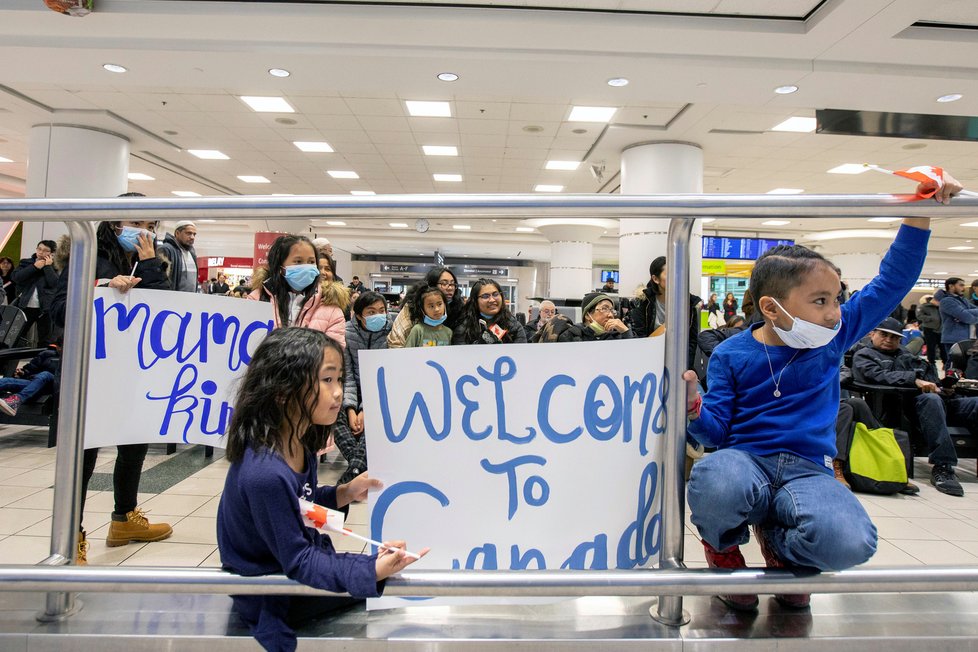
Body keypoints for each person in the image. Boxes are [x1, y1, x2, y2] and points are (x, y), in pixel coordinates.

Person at [682, 170, 960, 612]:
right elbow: (714, 436)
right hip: (744, 460)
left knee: (849, 542)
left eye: (836, 298)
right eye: (820, 301)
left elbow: (892, 282)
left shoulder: (836, 336)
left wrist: (920, 212)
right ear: (771, 307)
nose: (834, 313)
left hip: (808, 468)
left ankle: (782, 550)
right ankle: (723, 552)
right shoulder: (732, 354)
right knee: (718, 481)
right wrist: (692, 409)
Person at [217, 327, 426, 651]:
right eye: (327, 380)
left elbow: (298, 505)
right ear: (283, 391)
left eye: (339, 379)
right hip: (273, 593)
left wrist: (342, 493)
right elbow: (299, 559)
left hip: (288, 574)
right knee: (392, 596)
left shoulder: (296, 441)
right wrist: (371, 569)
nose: (339, 392)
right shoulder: (265, 474)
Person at [49, 208, 174, 563]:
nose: (144, 233)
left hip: (132, 369)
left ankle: (125, 519)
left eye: (150, 227)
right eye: (137, 225)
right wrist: (104, 287)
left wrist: (149, 263)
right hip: (89, 370)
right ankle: (70, 534)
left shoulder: (150, 261)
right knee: (82, 454)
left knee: (134, 445)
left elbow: (166, 306)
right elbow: (58, 309)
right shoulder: (86, 255)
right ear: (115, 223)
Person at [852, 317, 974, 497]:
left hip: (941, 401)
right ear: (872, 334)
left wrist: (944, 387)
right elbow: (876, 375)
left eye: (894, 337)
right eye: (884, 335)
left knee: (972, 404)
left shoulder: (909, 355)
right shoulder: (864, 355)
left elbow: (931, 378)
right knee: (930, 400)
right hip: (906, 406)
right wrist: (914, 381)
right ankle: (943, 467)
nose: (888, 340)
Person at [248, 235, 348, 347]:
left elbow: (332, 356)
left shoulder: (331, 309)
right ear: (280, 265)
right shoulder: (256, 299)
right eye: (298, 261)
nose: (306, 267)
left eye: (311, 262)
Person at [339, 291, 391, 484]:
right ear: (358, 314)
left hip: (381, 390)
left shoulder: (391, 331)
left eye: (382, 310)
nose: (378, 315)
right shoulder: (346, 332)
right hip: (353, 389)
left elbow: (385, 375)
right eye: (371, 312)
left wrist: (366, 408)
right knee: (337, 416)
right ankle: (360, 465)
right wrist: (351, 409)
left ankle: (355, 469)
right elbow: (348, 375)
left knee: (378, 417)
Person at [629, 256, 702, 368]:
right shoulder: (643, 302)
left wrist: (685, 369)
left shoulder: (689, 304)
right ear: (655, 279)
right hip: (648, 361)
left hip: (678, 363)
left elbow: (691, 343)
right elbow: (639, 339)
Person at [387, 266, 463, 348]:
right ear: (431, 285)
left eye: (452, 284)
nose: (450, 288)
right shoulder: (412, 308)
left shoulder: (458, 308)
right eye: (444, 284)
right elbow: (396, 341)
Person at [12, 239, 59, 345]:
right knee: (18, 334)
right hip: (25, 305)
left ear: (52, 253)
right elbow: (16, 277)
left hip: (45, 308)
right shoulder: (26, 262)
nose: (41, 252)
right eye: (39, 249)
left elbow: (55, 283)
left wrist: (47, 267)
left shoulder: (55, 266)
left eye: (45, 250)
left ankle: (41, 359)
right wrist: (34, 267)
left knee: (45, 338)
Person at [452, 278, 527, 345]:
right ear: (475, 301)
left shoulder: (514, 326)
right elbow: (461, 357)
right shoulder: (464, 328)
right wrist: (479, 345)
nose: (492, 300)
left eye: (495, 294)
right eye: (485, 296)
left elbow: (521, 354)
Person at [0, 342, 59, 416]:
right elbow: (31, 368)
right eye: (59, 347)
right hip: (35, 383)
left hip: (53, 385)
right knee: (6, 381)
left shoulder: (73, 359)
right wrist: (23, 372)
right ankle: (10, 402)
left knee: (45, 374)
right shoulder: (47, 354)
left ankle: (16, 400)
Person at [938, 277, 978, 363]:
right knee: (953, 364)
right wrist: (966, 315)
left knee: (964, 365)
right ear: (951, 286)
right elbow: (966, 317)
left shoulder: (964, 301)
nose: (963, 288)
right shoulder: (946, 301)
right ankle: (949, 377)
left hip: (966, 337)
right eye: (961, 285)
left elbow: (965, 314)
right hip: (953, 338)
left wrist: (965, 312)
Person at [156, 221, 198, 293]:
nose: (192, 237)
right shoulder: (166, 249)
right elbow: (160, 280)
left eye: (194, 234)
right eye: (189, 233)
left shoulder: (192, 253)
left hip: (190, 301)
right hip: (172, 300)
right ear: (177, 233)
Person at [917, 294, 944, 367]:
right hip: (929, 329)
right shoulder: (923, 307)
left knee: (942, 347)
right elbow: (919, 316)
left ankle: (945, 362)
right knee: (931, 346)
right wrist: (930, 318)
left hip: (940, 329)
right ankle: (931, 363)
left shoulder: (939, 307)